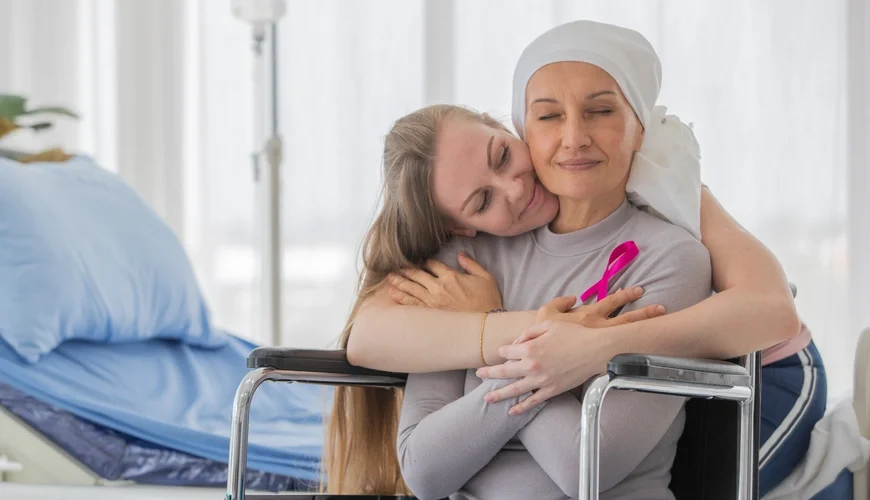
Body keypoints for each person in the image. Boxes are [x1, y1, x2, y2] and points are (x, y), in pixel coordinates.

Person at [326, 20, 825, 498]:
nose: (516, 187)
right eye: (482, 202)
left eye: (502, 157)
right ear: (529, 125)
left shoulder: (675, 233)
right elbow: (425, 469)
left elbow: (585, 466)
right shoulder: (464, 266)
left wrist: (518, 347)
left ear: (640, 126)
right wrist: (521, 339)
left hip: (773, 362)